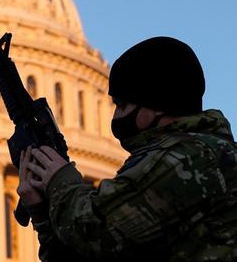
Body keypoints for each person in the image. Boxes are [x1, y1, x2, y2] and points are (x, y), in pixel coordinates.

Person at [17, 37, 237, 261]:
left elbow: (96, 233)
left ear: (157, 104)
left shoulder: (188, 156)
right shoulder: (195, 152)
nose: (116, 117)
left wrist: (59, 180)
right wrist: (42, 214)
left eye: (121, 105)